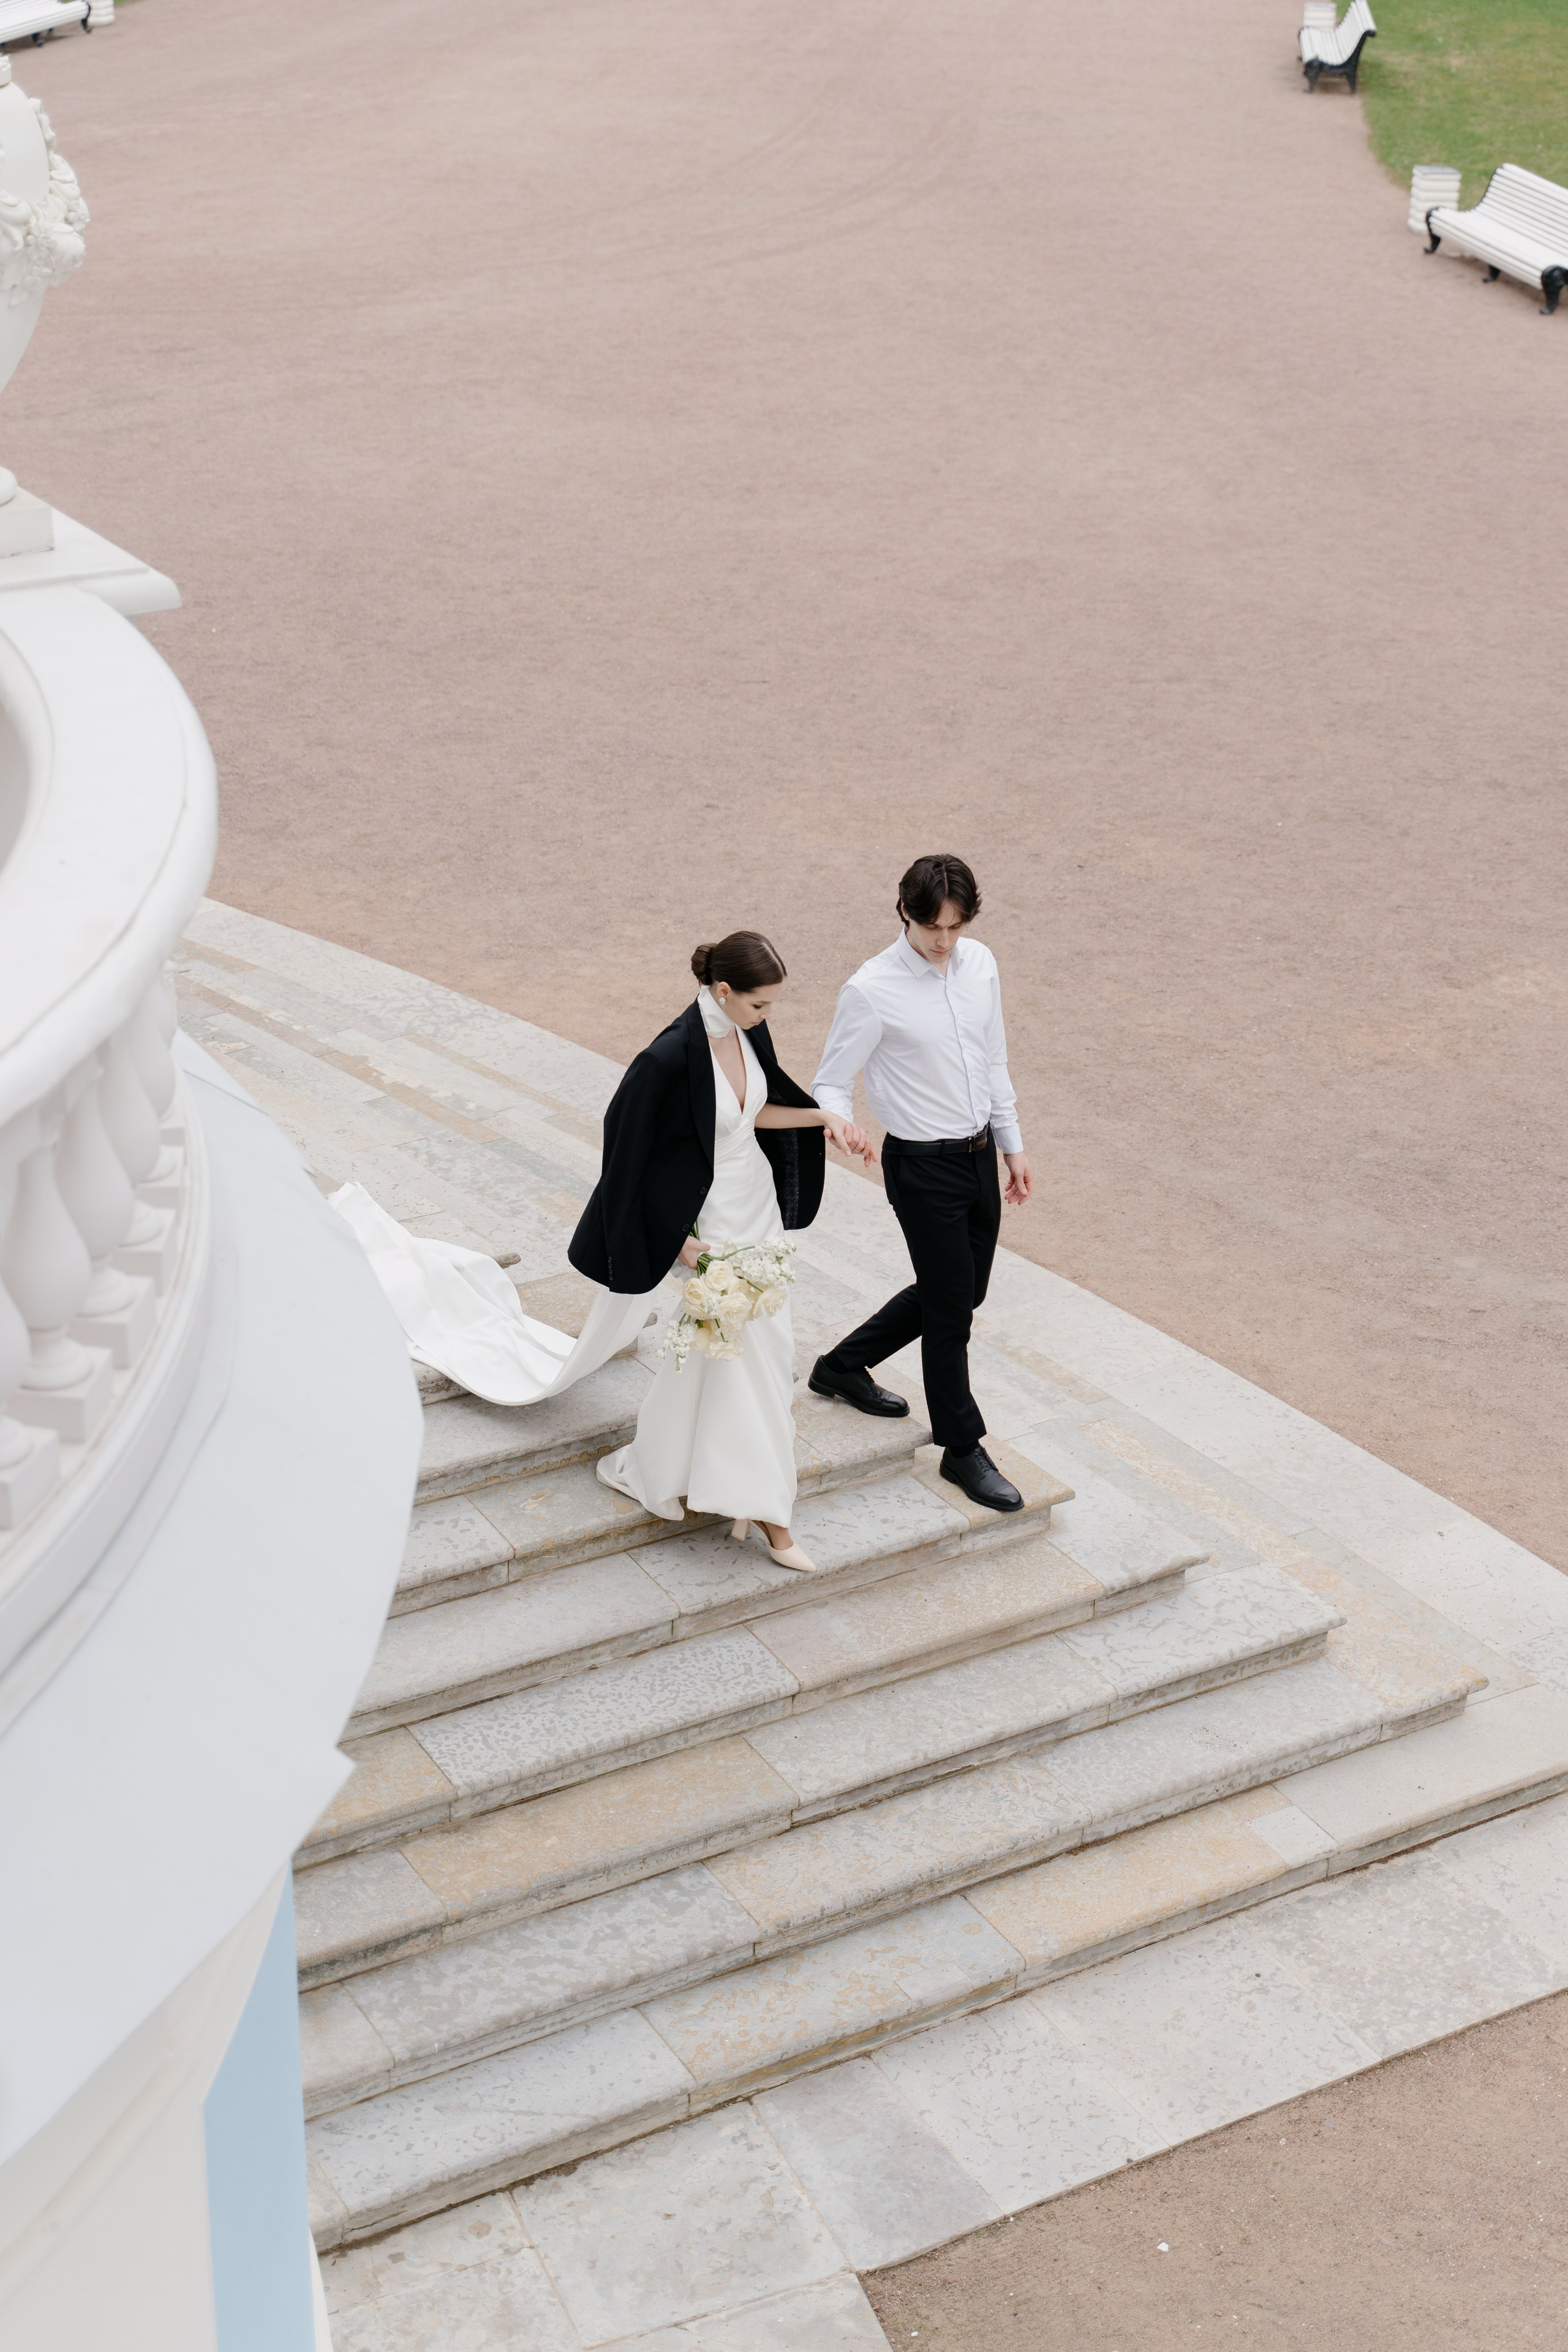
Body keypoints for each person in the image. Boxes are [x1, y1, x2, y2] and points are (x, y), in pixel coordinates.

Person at [571, 930, 873, 1572]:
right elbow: (627, 1159)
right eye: (761, 1005)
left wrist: (825, 1120)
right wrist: (679, 1244)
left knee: (740, 1356)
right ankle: (772, 1518)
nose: (769, 1017)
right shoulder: (666, 1059)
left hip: (758, 1212)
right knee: (749, 1360)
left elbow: (753, 1112)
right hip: (709, 1232)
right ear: (725, 990)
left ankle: (661, 1466)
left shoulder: (744, 1030)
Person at [808, 853, 1031, 1513]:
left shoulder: (980, 965)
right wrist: (840, 1122)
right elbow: (830, 1077)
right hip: (921, 1167)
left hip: (978, 1155)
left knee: (964, 1290)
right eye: (932, 925)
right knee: (949, 1312)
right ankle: (962, 1450)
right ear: (904, 910)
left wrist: (1012, 1144)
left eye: (955, 927)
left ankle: (841, 1365)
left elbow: (993, 1057)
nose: (943, 940)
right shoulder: (871, 989)